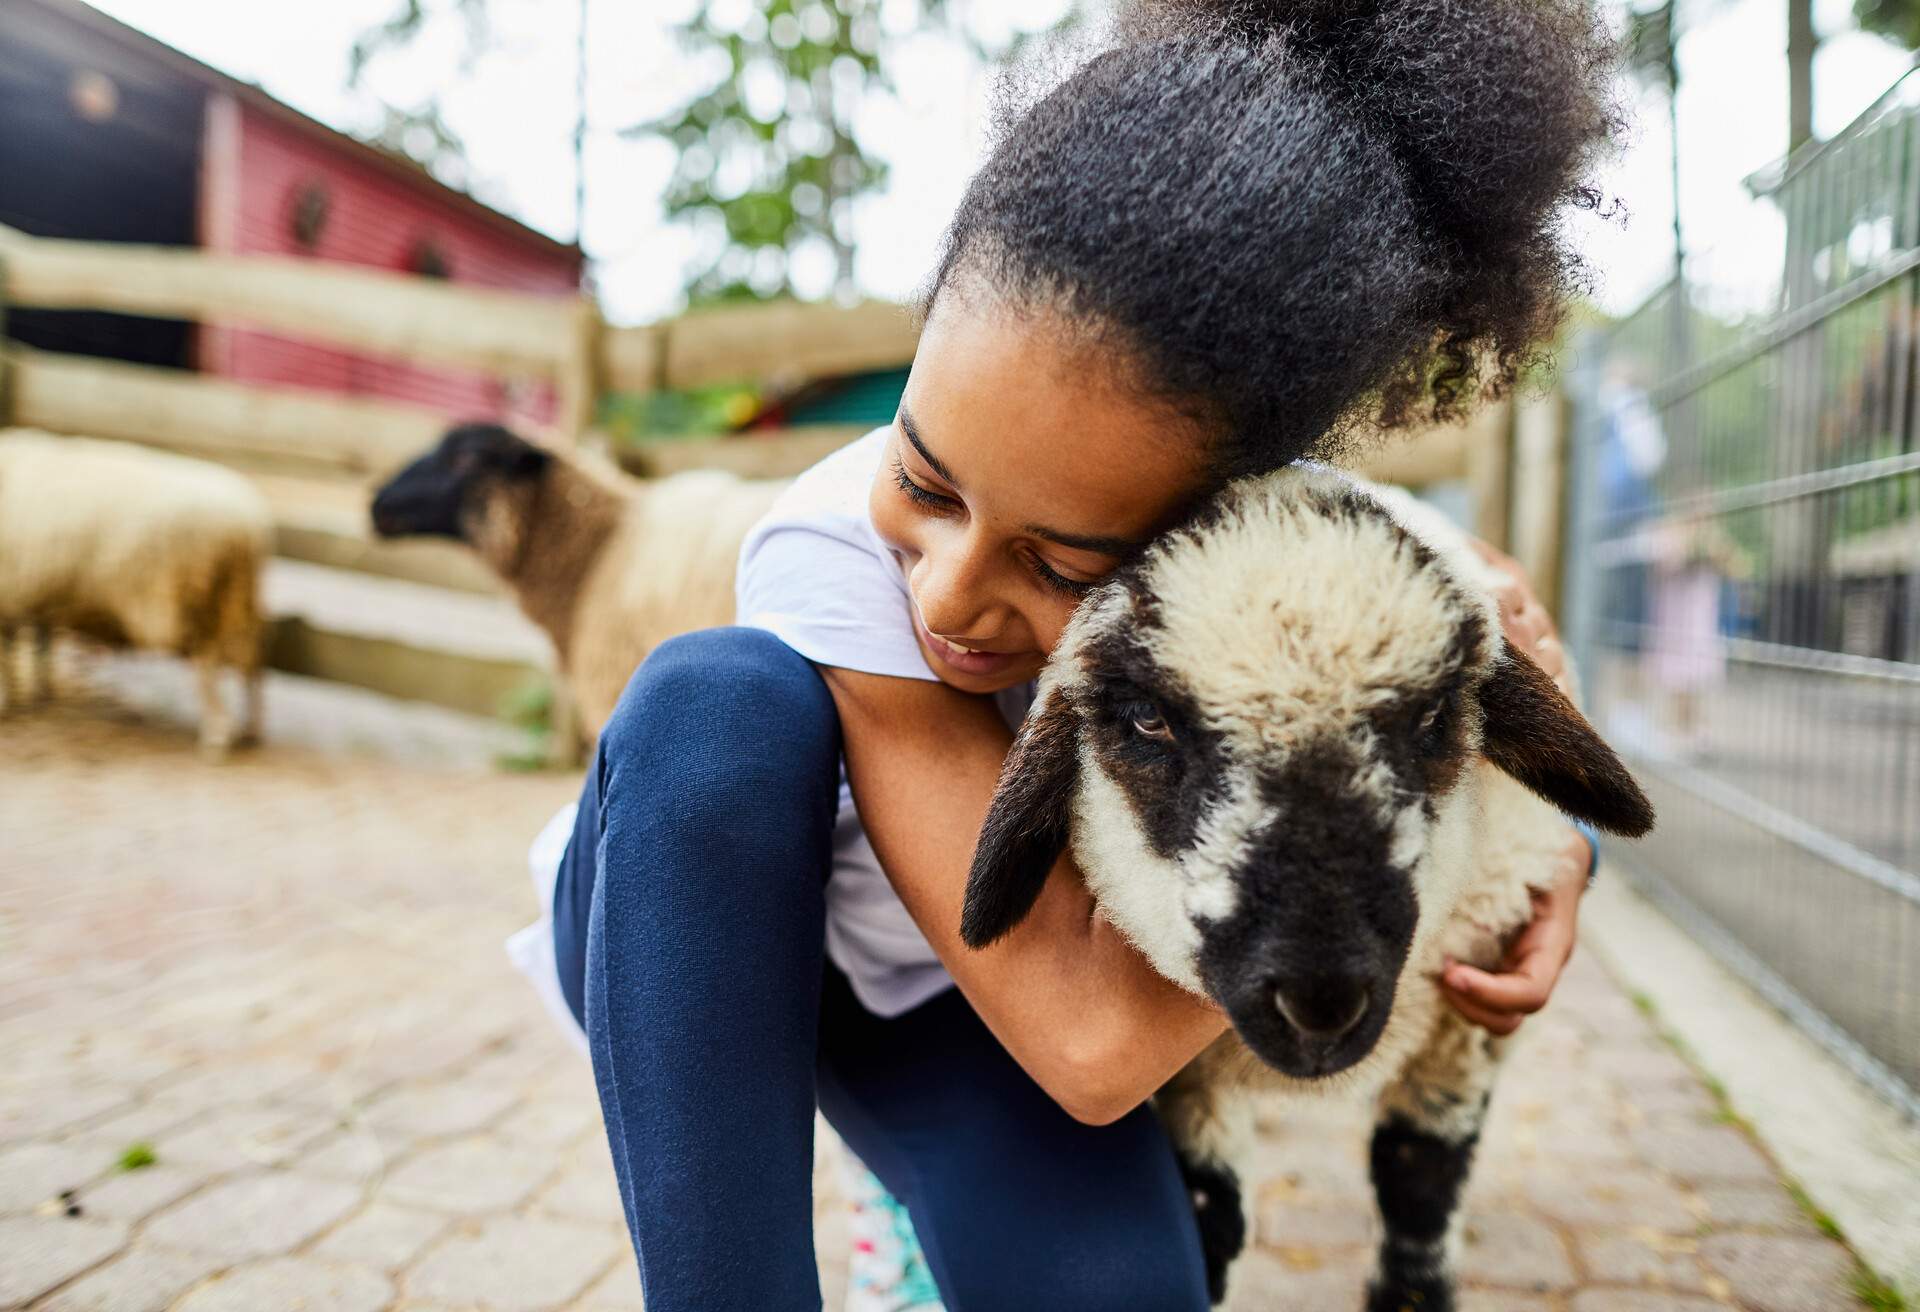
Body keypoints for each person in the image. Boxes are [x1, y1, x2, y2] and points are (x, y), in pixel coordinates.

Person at [528, 2, 1621, 1308]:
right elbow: (1097, 1047)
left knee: (1119, 1292)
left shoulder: (1311, 569)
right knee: (723, 702)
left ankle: (923, 1190)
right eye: (925, 479)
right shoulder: (830, 545)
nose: (947, 592)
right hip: (733, 940)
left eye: (1060, 566)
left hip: (963, 1011)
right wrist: (1394, 868)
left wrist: (1545, 845)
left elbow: (1484, 712)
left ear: (1222, 512)